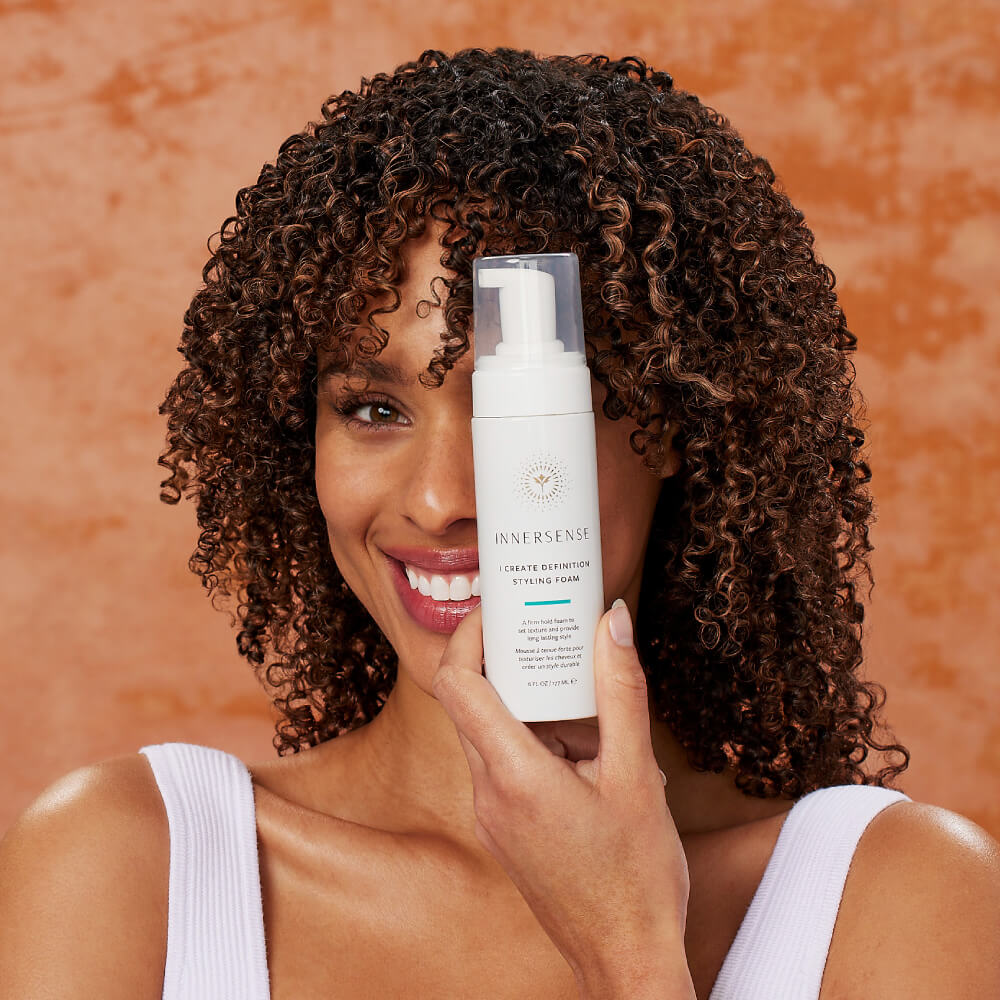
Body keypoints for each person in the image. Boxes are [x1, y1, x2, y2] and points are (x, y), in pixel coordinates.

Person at [1, 46, 998, 1000]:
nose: (441, 500)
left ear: (672, 428)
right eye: (373, 408)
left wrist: (629, 948)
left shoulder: (897, 895)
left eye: (521, 414)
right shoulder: (131, 865)